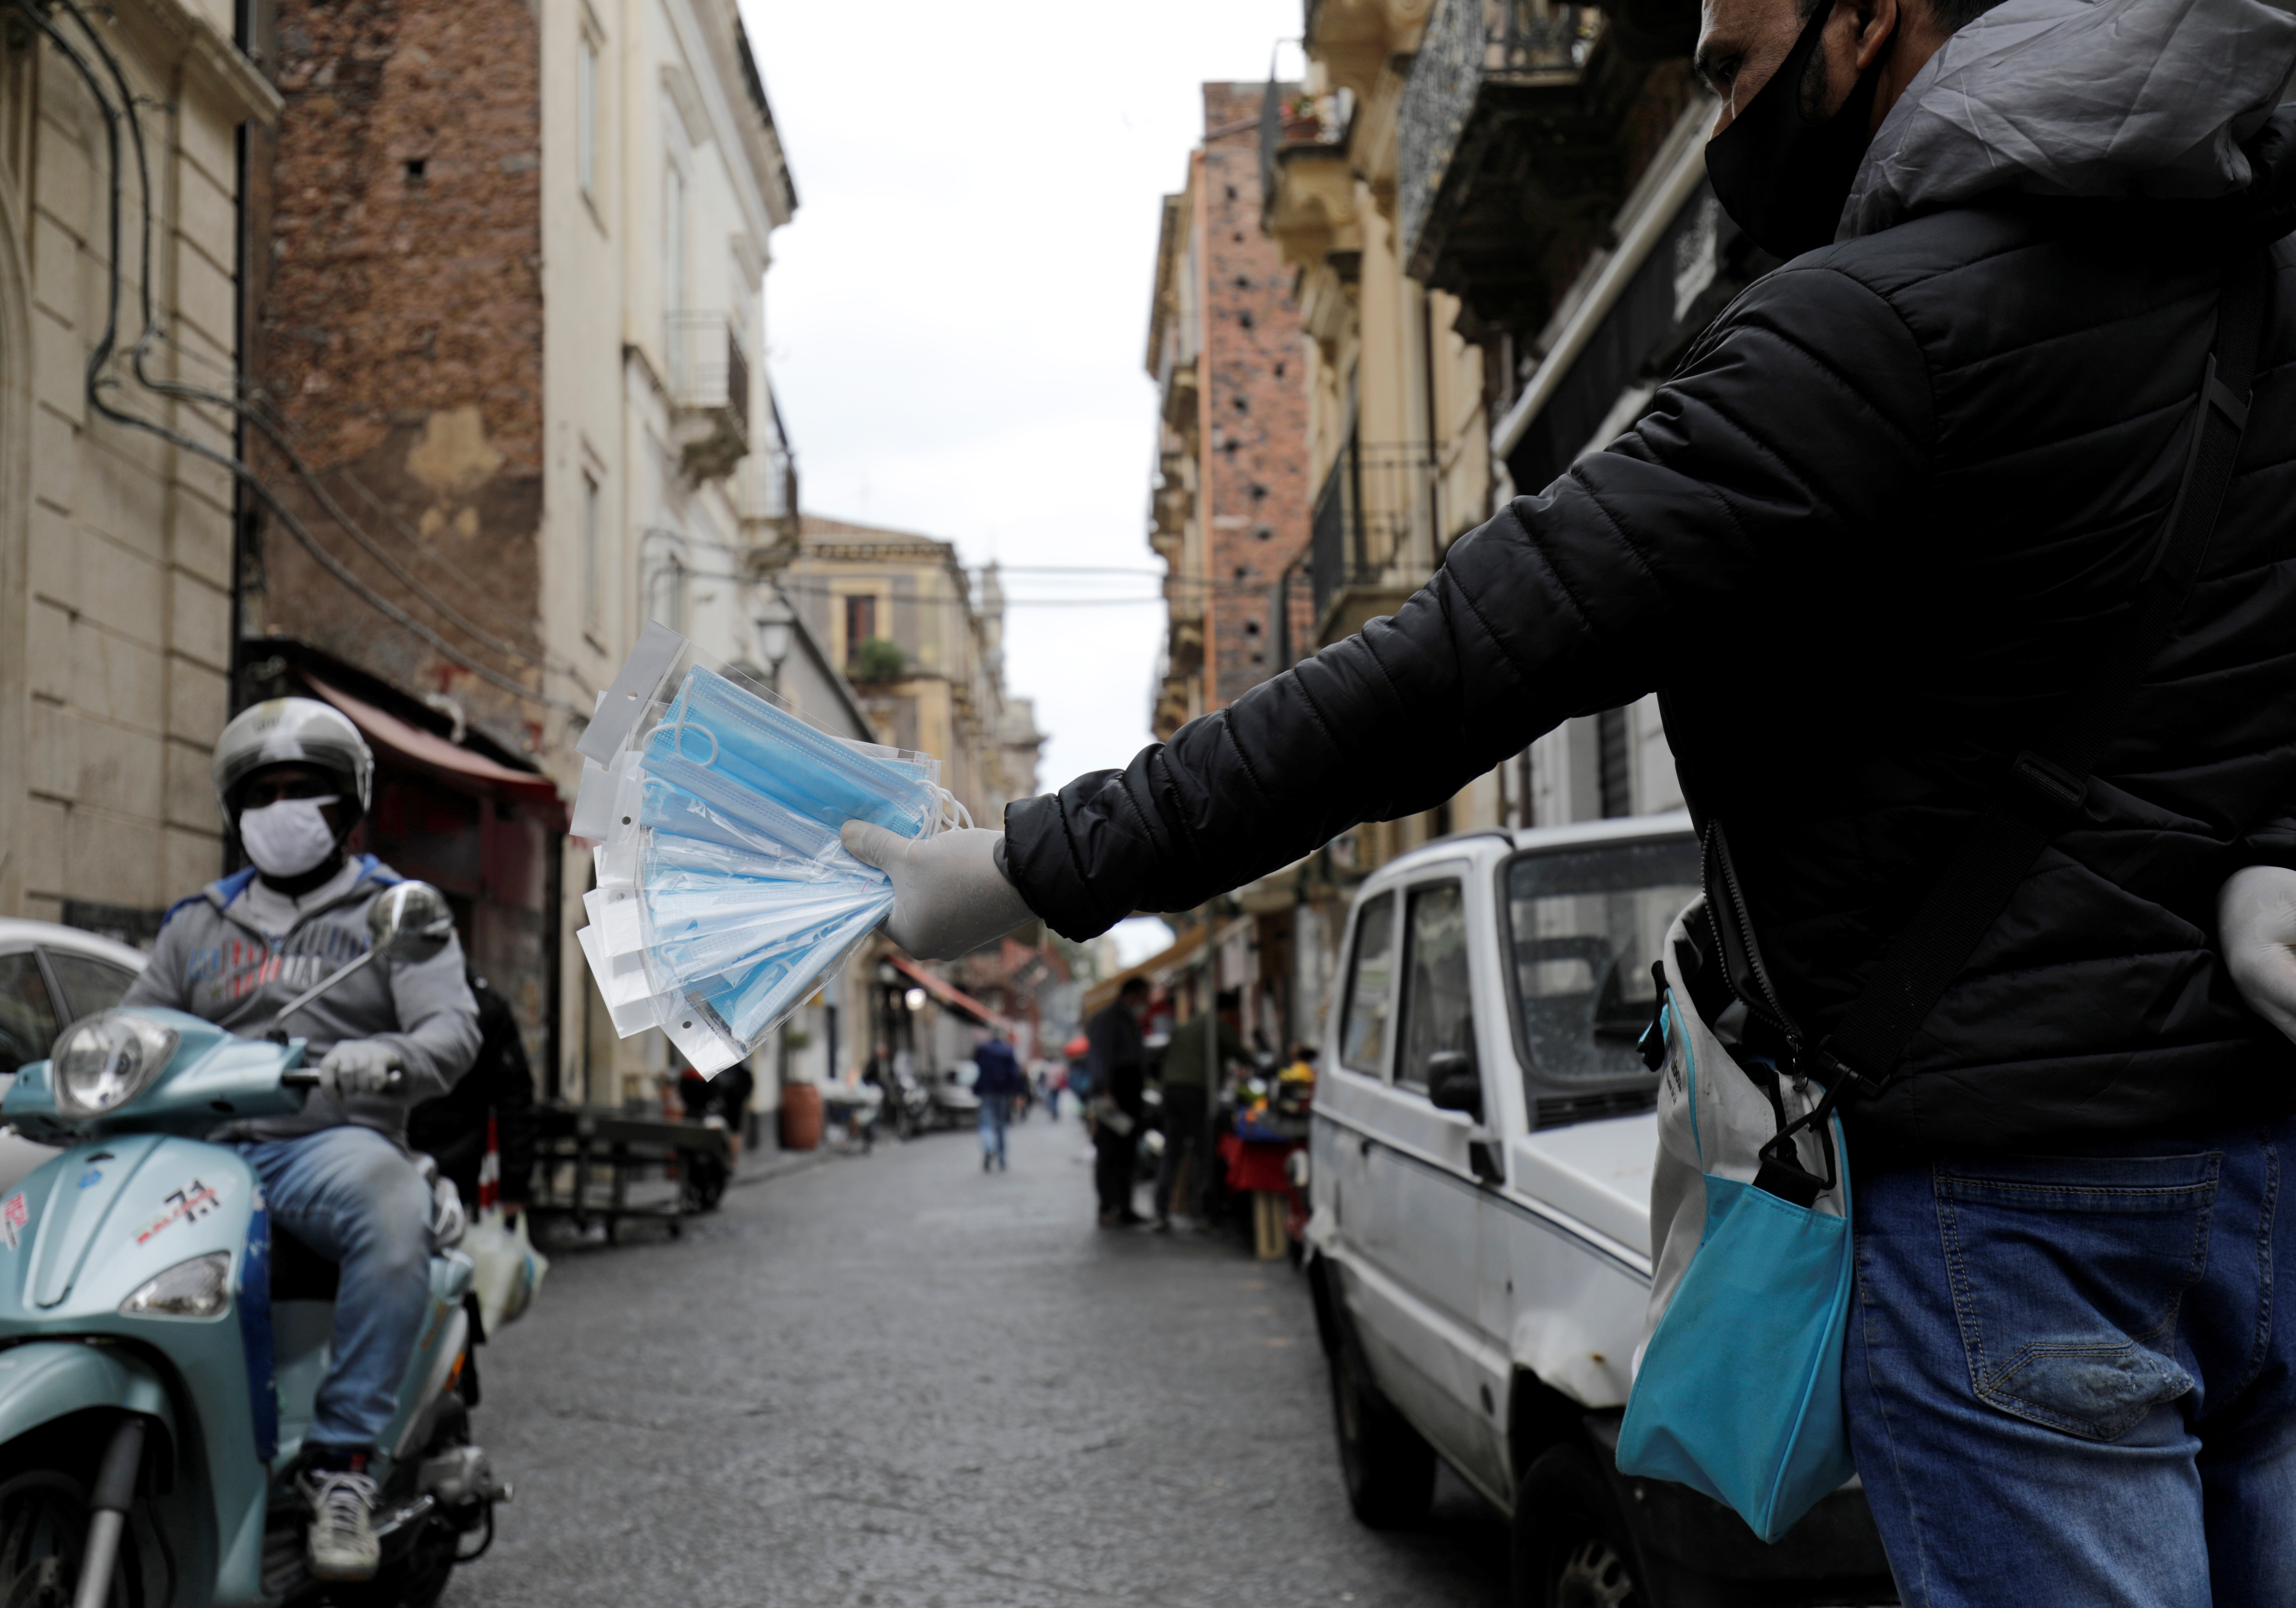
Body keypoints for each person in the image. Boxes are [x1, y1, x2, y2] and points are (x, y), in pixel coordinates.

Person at [844, 1, 2296, 1597]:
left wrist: (1034, 862)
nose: (1711, 114)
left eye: (1729, 70)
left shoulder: (1868, 329)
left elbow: (1452, 665)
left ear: (1866, 21)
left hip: (2015, 1212)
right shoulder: (2255, 279)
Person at [123, 699, 481, 1582]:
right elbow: (137, 1031)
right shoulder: (195, 924)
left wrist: (384, 1058)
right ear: (236, 809)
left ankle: (343, 1467)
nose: (282, 809)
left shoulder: (397, 912)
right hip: (202, 1148)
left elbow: (453, 1031)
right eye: (265, 792)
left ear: (346, 806)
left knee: (390, 1209)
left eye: (305, 791)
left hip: (328, 1143)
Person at [409, 969, 539, 1219]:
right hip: (446, 1161)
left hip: (453, 1165)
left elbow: (515, 1101)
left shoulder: (483, 1007)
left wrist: (514, 1186)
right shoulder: (483, 1005)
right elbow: (516, 1100)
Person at [1151, 991, 1256, 1231]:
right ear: (1229, 1011)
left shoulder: (1190, 1025)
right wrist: (1263, 1066)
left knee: (1173, 1152)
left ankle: (1160, 1211)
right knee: (1203, 1152)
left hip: (1171, 1091)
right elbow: (1243, 1055)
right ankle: (1203, 1213)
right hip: (1197, 1093)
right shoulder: (1218, 1025)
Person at [1082, 978, 1153, 1226]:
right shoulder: (1110, 1018)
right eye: (1145, 995)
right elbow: (1101, 1056)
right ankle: (1109, 1207)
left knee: (1127, 1152)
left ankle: (1123, 1207)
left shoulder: (1127, 1019)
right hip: (1114, 1093)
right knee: (1110, 1152)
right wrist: (1106, 1090)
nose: (1148, 1002)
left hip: (1128, 1092)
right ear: (1133, 995)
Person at [971, 1028, 1027, 1172]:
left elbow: (974, 1067)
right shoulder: (1008, 1051)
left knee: (986, 1123)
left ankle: (989, 1147)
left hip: (986, 1091)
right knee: (1001, 1126)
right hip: (1003, 1093)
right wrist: (1018, 1093)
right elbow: (1015, 1073)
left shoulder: (983, 1050)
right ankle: (1002, 1159)